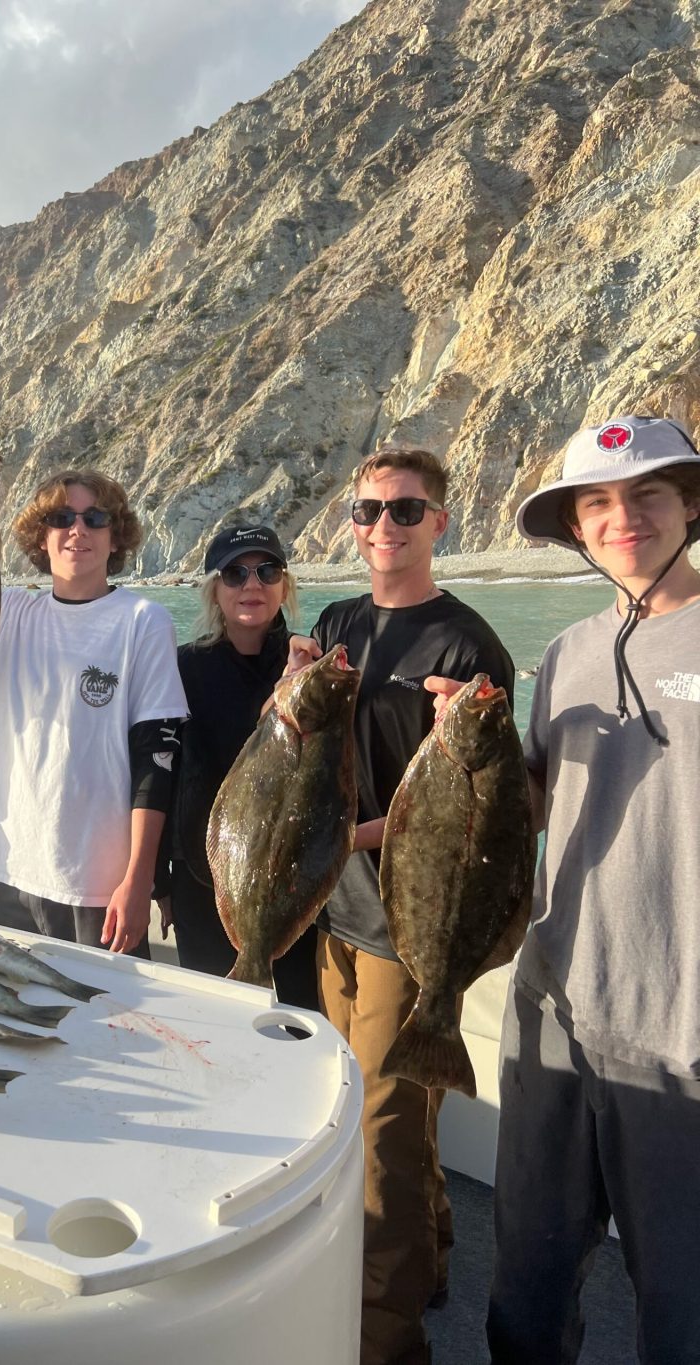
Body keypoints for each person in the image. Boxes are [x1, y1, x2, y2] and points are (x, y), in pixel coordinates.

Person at [286, 446, 514, 1365]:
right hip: (334, 917)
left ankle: (386, 1340)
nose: (384, 525)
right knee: (381, 1117)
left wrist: (355, 840)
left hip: (405, 930)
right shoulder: (340, 620)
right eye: (368, 510)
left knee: (384, 1137)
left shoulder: (469, 645)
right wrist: (297, 676)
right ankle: (436, 1260)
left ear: (440, 524)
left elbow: (487, 810)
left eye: (406, 510)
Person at [482, 416, 700, 1364]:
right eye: (599, 502)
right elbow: (531, 806)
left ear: (691, 505)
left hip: (682, 1037)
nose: (625, 518)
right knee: (526, 1296)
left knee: (680, 1311)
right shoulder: (568, 652)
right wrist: (471, 752)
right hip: (554, 1013)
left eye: (649, 493)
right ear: (575, 525)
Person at [0, 469, 188, 956]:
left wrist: (140, 879)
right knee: (25, 1021)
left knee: (110, 1023)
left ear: (116, 537)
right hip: (14, 864)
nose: (78, 529)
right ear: (40, 539)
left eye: (95, 518)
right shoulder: (11, 613)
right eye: (61, 517)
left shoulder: (142, 621)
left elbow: (158, 759)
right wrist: (2, 701)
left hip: (99, 883)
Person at [167, 524, 318, 1008]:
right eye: (235, 573)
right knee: (216, 1027)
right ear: (215, 589)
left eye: (266, 570)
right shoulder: (183, 667)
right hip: (201, 883)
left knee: (297, 1025)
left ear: (284, 586)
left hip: (294, 882)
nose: (251, 584)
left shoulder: (311, 671)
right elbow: (163, 772)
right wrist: (159, 883)